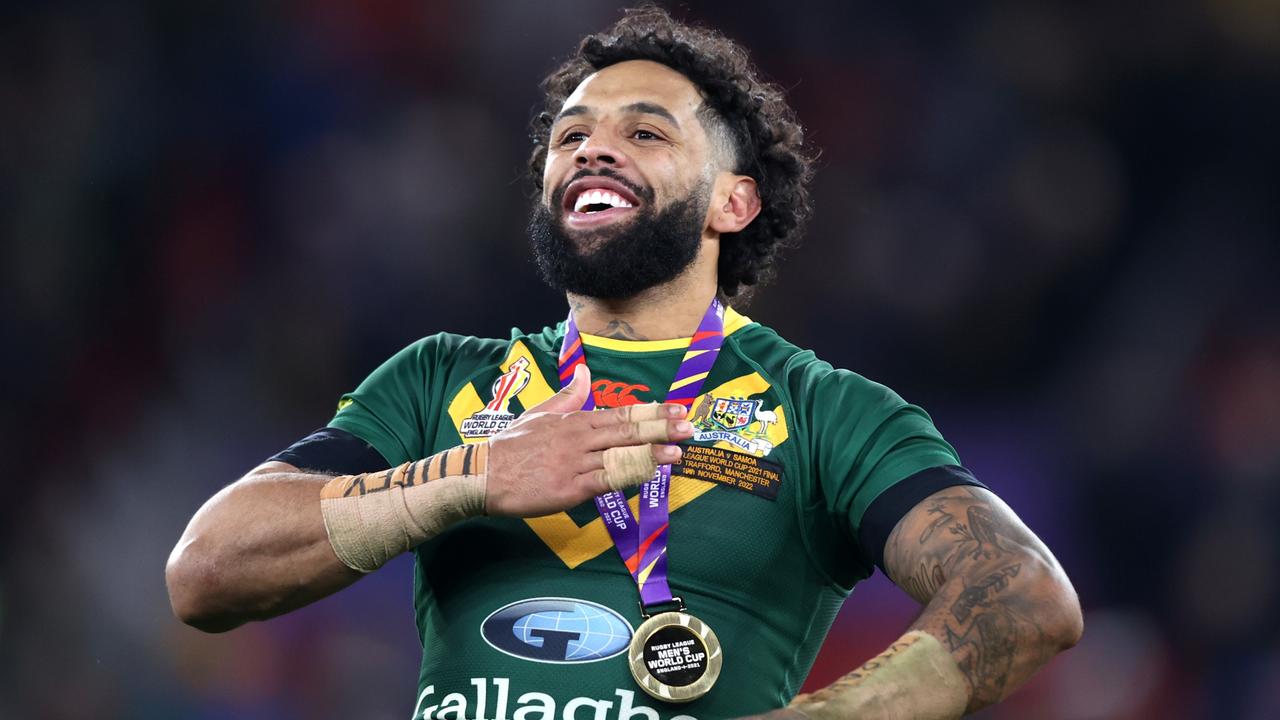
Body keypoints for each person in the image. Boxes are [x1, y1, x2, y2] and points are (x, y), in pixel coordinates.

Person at [166, 7, 1081, 719]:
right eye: (570, 136)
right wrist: (468, 478)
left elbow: (1025, 596)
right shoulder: (440, 380)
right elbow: (205, 572)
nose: (591, 146)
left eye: (645, 132)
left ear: (734, 201)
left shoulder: (823, 411)